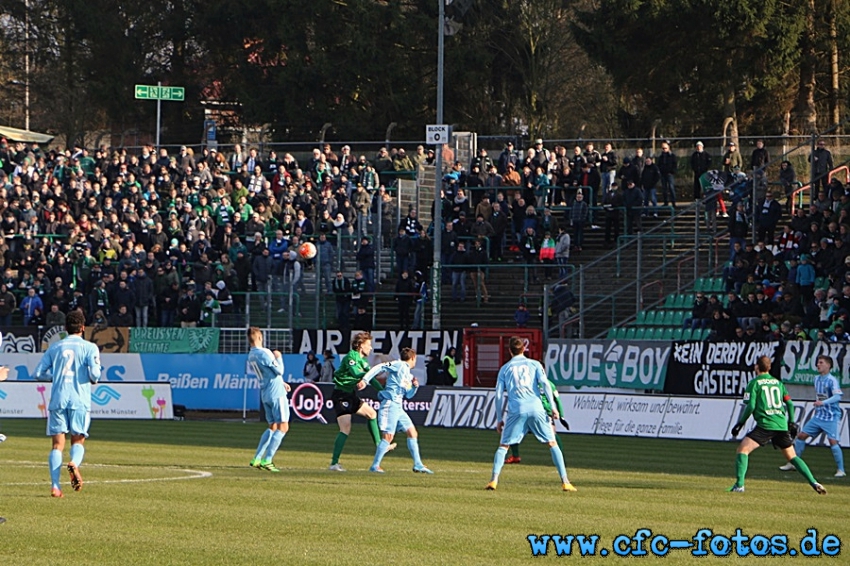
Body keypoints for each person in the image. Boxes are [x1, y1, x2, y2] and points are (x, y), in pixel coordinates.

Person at [485, 336, 576, 492]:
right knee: (552, 443)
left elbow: (499, 395)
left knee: (503, 445)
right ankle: (565, 481)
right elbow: (546, 385)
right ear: (524, 349)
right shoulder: (535, 364)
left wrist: (500, 419)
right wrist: (553, 407)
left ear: (509, 351)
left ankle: (494, 480)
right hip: (536, 408)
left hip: (516, 409)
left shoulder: (505, 369)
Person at [728, 355, 826, 494]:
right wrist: (791, 422)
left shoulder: (754, 383)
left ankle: (739, 485)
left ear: (756, 366)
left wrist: (740, 423)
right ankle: (814, 482)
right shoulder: (778, 383)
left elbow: (750, 406)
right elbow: (790, 403)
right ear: (769, 367)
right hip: (781, 424)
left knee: (742, 451)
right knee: (792, 457)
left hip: (766, 425)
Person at [33, 311, 102, 498]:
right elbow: (95, 375)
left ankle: (55, 486)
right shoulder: (90, 347)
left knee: (57, 444)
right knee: (78, 439)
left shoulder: (55, 348)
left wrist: (56, 377)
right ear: (82, 327)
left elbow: (38, 373)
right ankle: (74, 463)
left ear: (65, 328)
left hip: (58, 398)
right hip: (79, 398)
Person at [328, 332, 394, 471]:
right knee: (345, 428)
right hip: (341, 395)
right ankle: (334, 463)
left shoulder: (363, 362)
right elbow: (356, 373)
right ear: (360, 346)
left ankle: (380, 445)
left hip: (350, 394)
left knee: (372, 414)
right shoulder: (351, 357)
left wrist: (382, 391)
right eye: (368, 345)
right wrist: (368, 375)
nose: (370, 348)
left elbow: (371, 379)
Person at [361, 348, 432, 474]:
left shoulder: (408, 375)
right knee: (388, 436)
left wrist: (415, 387)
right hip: (390, 404)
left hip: (399, 407)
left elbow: (408, 395)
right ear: (413, 358)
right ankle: (375, 466)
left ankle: (418, 464)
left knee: (412, 432)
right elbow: (380, 367)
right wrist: (365, 380)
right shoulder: (398, 365)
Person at [779, 355, 845, 477]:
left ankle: (841, 470)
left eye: (821, 362)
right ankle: (793, 462)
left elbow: (837, 396)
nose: (818, 365)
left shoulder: (832, 380)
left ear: (828, 365)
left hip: (831, 417)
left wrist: (823, 403)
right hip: (819, 416)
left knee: (833, 441)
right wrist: (819, 403)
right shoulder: (816, 379)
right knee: (801, 436)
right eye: (817, 363)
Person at [247, 327, 291, 472]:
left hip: (265, 392)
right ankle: (268, 460)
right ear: (259, 337)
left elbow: (269, 373)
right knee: (283, 427)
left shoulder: (251, 355)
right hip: (275, 393)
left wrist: (282, 382)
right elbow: (279, 370)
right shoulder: (264, 352)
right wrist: (278, 356)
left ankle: (257, 458)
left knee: (272, 426)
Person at [506, 377, 570, 464]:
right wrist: (561, 416)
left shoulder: (528, 383)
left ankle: (515, 456)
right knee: (552, 436)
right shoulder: (550, 384)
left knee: (513, 432)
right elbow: (557, 400)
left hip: (534, 412)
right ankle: (560, 457)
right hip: (543, 413)